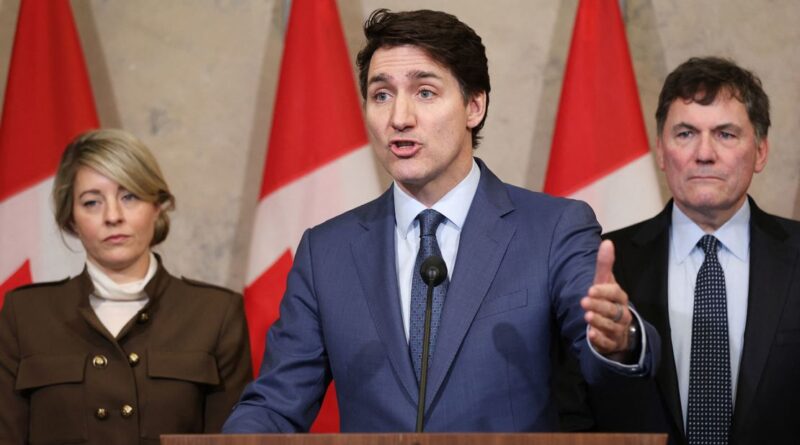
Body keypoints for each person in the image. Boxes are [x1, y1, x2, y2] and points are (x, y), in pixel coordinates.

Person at [223, 9, 660, 433]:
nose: (399, 118)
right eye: (381, 95)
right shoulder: (327, 251)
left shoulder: (552, 229)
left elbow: (602, 362)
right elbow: (277, 402)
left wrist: (618, 341)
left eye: (425, 92)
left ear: (474, 106)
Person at [560, 57, 800, 444]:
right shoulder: (600, 261)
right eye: (686, 134)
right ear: (660, 150)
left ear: (760, 152)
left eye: (726, 134)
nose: (704, 154)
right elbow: (570, 411)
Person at [0, 129, 251, 444]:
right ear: (71, 219)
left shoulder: (215, 314)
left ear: (157, 205)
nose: (113, 216)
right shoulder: (25, 315)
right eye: (92, 202)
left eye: (129, 196)